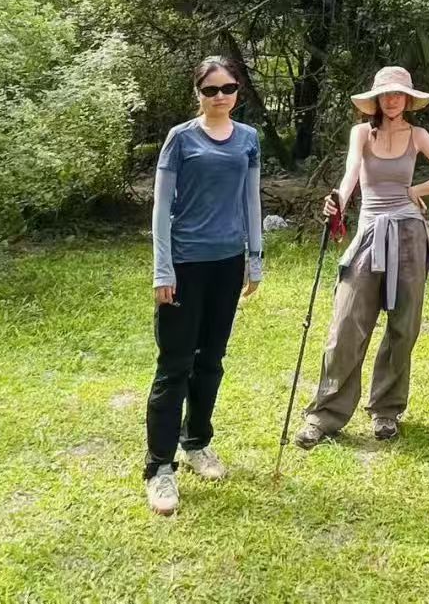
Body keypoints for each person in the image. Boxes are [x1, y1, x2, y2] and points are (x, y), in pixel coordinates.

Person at [295, 65, 429, 448]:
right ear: (377, 100)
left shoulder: (418, 135)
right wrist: (338, 199)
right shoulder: (362, 134)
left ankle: (386, 410)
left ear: (408, 99)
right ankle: (324, 415)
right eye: (387, 94)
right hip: (369, 233)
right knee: (346, 324)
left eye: (399, 94)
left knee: (404, 327)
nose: (393, 100)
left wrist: (417, 190)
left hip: (409, 233)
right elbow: (351, 173)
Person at [144, 56, 263, 516]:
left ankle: (196, 441)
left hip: (227, 264)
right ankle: (159, 467)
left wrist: (255, 259)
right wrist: (163, 270)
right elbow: (161, 208)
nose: (220, 97)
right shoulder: (180, 138)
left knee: (211, 360)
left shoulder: (248, 139)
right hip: (185, 264)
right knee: (175, 365)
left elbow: (251, 200)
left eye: (228, 88)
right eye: (211, 89)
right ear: (198, 93)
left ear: (237, 92)